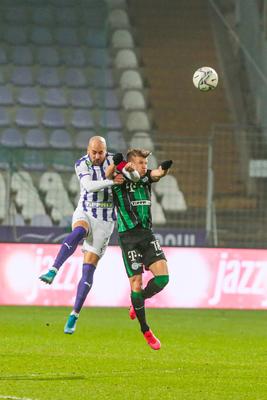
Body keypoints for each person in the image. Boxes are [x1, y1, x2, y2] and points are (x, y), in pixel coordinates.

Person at [39, 136, 128, 334]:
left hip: (105, 222)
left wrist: (128, 174)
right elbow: (88, 186)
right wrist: (111, 181)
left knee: (88, 271)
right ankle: (53, 269)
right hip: (86, 211)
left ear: (106, 151)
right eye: (94, 152)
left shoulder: (115, 161)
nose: (97, 156)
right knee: (79, 231)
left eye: (101, 152)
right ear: (88, 150)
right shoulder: (81, 163)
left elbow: (132, 175)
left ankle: (74, 315)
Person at [106, 149, 172, 350]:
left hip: (147, 234)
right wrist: (116, 164)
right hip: (129, 238)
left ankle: (138, 301)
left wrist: (166, 168)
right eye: (141, 163)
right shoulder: (118, 180)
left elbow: (158, 173)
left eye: (146, 162)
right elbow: (108, 174)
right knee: (135, 283)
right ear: (131, 164)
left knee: (163, 279)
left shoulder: (145, 179)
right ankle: (146, 330)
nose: (145, 166)